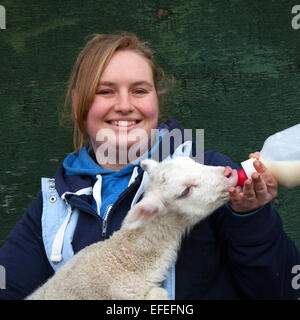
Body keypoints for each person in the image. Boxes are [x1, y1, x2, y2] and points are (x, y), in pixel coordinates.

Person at [0, 32, 299, 300]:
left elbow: (281, 290)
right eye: (105, 91)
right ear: (80, 104)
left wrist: (251, 218)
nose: (125, 105)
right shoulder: (55, 204)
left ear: (156, 98)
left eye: (140, 90)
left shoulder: (210, 172)